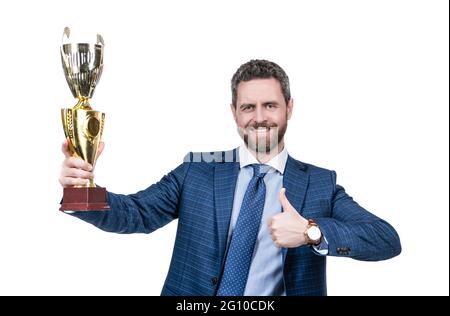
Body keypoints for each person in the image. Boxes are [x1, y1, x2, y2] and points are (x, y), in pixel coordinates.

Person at [59, 59, 401, 296]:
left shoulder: (320, 183)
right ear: (234, 114)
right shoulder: (198, 168)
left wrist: (312, 231)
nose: (260, 117)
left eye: (270, 105)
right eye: (248, 107)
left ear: (289, 109)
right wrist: (80, 190)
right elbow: (136, 213)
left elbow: (385, 239)